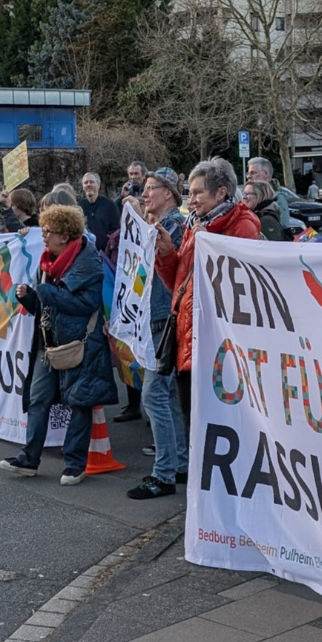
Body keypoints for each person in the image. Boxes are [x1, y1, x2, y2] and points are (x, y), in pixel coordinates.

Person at [0, 204, 117, 485]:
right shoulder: (48, 260)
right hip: (49, 343)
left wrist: (46, 291)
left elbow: (85, 304)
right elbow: (46, 302)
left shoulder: (87, 262)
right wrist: (29, 297)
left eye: (49, 231)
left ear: (65, 235)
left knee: (79, 403)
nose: (44, 236)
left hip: (80, 344)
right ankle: (29, 459)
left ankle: (75, 464)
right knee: (38, 399)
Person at [155, 158, 261, 424]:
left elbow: (240, 290)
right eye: (190, 193)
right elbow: (179, 286)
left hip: (218, 347)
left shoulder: (242, 226)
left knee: (217, 427)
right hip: (188, 341)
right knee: (194, 424)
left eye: (198, 192)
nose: (191, 200)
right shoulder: (196, 225)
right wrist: (167, 253)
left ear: (221, 192)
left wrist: (210, 246)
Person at [126, 168, 189, 498]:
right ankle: (180, 464)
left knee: (153, 395)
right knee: (166, 396)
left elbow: (170, 272)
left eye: (151, 188)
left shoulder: (175, 227)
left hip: (166, 321)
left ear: (169, 193)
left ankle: (163, 474)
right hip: (156, 319)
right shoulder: (158, 226)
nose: (145, 193)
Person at [247, 157, 292, 229]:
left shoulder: (278, 198)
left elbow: (283, 228)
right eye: (248, 173)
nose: (248, 176)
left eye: (253, 173)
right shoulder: (251, 196)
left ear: (265, 174)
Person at [79, 172, 119, 252]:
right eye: (86, 183)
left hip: (106, 254)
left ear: (98, 185)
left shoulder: (110, 205)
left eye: (91, 182)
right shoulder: (78, 207)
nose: (88, 184)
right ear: (83, 187)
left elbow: (116, 230)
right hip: (84, 253)